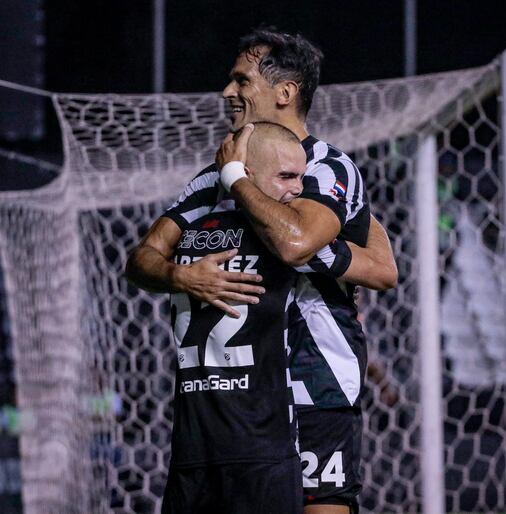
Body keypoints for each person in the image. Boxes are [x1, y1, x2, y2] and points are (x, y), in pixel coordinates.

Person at [126, 27, 397, 513]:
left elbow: (296, 245)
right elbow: (143, 258)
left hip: (314, 382)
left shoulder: (326, 167)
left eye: (241, 80)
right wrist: (179, 275)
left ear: (285, 92)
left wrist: (236, 181)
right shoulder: (210, 178)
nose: (228, 93)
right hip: (233, 398)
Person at [161, 123, 312, 513]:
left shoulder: (189, 235)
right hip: (261, 449)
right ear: (246, 174)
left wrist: (176, 274)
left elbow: (139, 261)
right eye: (286, 176)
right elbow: (383, 272)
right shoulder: (280, 238)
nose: (298, 189)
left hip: (192, 451)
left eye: (302, 177)